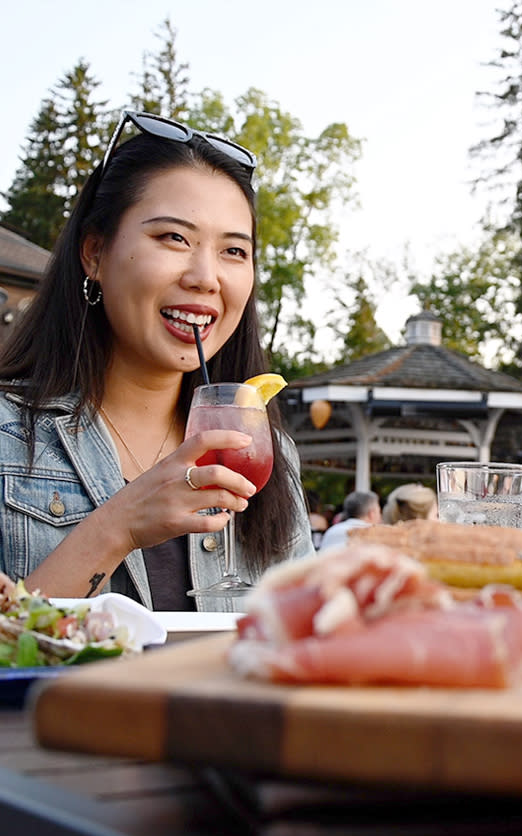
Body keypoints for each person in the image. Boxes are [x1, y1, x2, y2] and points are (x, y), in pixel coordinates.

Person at [0, 110, 314, 610]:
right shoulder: (8, 437)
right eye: (174, 238)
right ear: (94, 253)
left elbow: (301, 645)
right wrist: (117, 527)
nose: (205, 277)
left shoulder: (267, 451)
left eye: (234, 251)